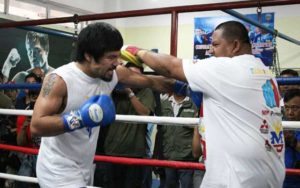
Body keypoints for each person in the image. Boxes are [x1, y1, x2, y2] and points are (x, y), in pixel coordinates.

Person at [121, 20, 285, 187]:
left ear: (235, 45)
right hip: (266, 176)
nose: (211, 50)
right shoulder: (263, 72)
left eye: (215, 44)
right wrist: (124, 76)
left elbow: (170, 67)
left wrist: (135, 51)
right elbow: (170, 83)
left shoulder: (229, 68)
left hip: (236, 178)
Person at [30, 22, 173, 188]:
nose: (117, 62)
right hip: (57, 169)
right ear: (89, 56)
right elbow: (36, 125)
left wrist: (183, 85)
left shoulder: (112, 74)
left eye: (118, 56)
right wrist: (81, 118)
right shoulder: (59, 80)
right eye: (111, 57)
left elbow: (150, 81)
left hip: (84, 166)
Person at [157, 92, 198, 188]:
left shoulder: (194, 104)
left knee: (187, 185)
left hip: (187, 159)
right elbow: (160, 130)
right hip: (169, 156)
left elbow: (199, 130)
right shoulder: (164, 104)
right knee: (169, 185)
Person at [282, 89, 300, 188]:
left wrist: (292, 141)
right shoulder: (280, 125)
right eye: (287, 107)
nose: (290, 112)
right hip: (281, 182)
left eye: (295, 108)